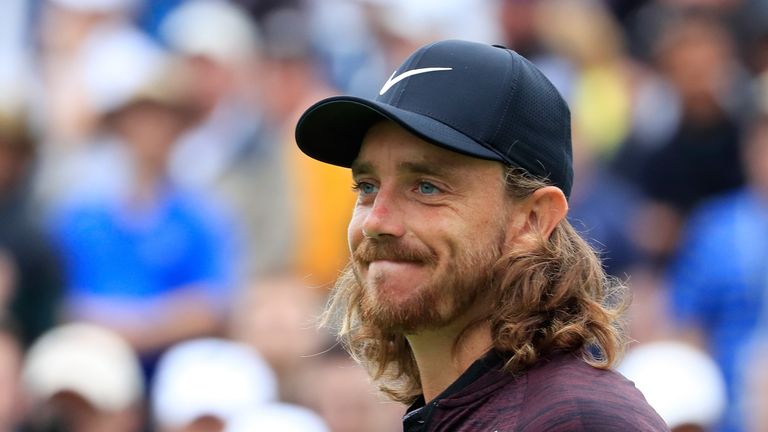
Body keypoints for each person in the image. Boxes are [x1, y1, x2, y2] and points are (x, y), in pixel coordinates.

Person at [294, 39, 668, 431]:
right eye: (367, 186)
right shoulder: (464, 410)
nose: (376, 222)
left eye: (426, 187)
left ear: (533, 220)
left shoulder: (577, 422)